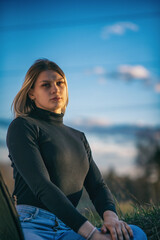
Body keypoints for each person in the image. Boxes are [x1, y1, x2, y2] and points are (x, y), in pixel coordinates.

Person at [6, 59, 147, 240]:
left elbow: (97, 186)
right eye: (46, 85)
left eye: (60, 83)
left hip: (68, 227)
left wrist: (111, 216)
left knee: (135, 234)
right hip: (32, 224)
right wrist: (91, 234)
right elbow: (41, 185)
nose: (55, 89)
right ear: (32, 93)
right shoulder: (23, 126)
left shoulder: (78, 137)